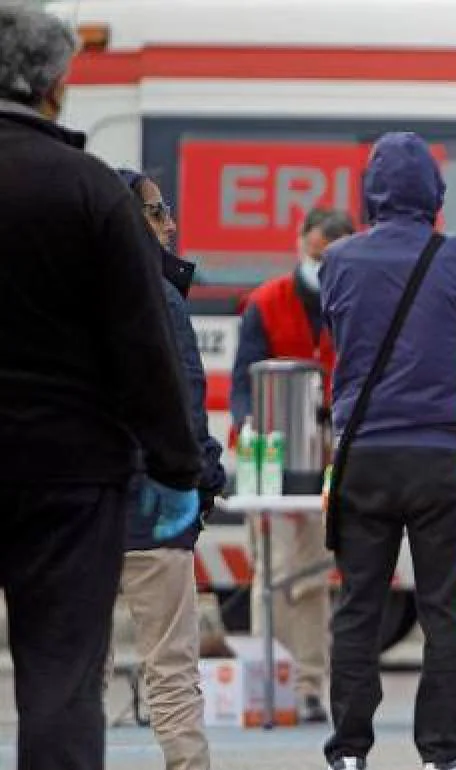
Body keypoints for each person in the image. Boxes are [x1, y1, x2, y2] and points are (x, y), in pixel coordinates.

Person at [0, 6, 203, 769]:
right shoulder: (90, 191)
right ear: (55, 86)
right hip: (70, 477)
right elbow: (142, 343)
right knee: (60, 676)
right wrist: (176, 465)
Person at [321, 132, 456, 770]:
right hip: (443, 458)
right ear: (436, 194)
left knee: (358, 607)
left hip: (364, 457)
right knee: (445, 616)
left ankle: (348, 751)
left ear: (370, 194)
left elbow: (339, 335)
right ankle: (443, 756)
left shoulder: (338, 259)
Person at [109, 169, 227, 770]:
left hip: (83, 514)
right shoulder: (161, 296)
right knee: (173, 675)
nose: (171, 224)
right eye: (158, 213)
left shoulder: (65, 290)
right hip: (158, 511)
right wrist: (206, 480)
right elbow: (185, 404)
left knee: (72, 679)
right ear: (134, 221)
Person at [230, 206, 355, 724]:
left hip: (328, 453)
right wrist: (250, 429)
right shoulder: (267, 302)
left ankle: (305, 683)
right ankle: (276, 680)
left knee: (310, 575)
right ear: (302, 242)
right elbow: (243, 382)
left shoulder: (351, 302)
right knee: (275, 572)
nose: (321, 264)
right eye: (317, 252)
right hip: (272, 451)